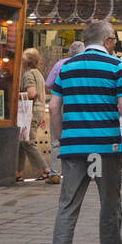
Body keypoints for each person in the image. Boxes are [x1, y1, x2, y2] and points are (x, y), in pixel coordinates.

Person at [46, 20, 122, 244]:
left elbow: (54, 107)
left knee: (67, 208)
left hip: (74, 148)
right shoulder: (115, 67)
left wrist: (62, 138)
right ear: (109, 40)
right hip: (104, 150)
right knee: (109, 206)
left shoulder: (67, 67)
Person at [45, 41, 84, 180]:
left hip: (60, 102)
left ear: (69, 52)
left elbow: (48, 84)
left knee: (56, 140)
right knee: (79, 137)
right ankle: (81, 171)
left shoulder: (60, 64)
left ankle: (55, 173)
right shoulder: (85, 64)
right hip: (78, 104)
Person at [17, 48, 56, 182]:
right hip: (38, 111)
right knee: (21, 141)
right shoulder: (39, 74)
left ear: (26, 61)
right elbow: (42, 95)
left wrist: (15, 96)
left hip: (30, 112)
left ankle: (45, 169)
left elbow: (32, 93)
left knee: (27, 141)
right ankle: (18, 171)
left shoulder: (28, 75)